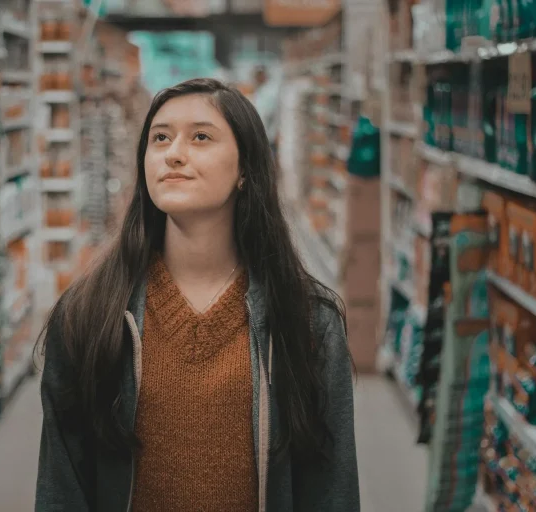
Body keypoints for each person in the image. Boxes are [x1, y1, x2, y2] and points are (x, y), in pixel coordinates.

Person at [35, 78, 359, 512]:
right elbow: (62, 486)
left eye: (200, 137)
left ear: (246, 168)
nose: (173, 153)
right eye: (160, 138)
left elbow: (331, 490)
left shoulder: (306, 322)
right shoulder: (89, 317)